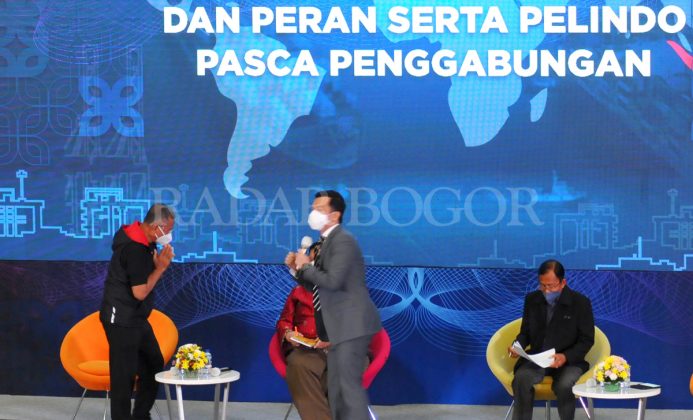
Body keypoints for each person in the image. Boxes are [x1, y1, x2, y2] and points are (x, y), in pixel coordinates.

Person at [285, 190, 381, 420]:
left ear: (335, 215)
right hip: (338, 328)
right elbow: (318, 287)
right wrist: (297, 270)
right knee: (338, 393)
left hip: (350, 326)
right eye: (313, 209)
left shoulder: (343, 241)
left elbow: (332, 281)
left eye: (319, 209)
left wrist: (306, 267)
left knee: (347, 392)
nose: (313, 214)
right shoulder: (325, 242)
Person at [99, 204, 175, 420]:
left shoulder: (144, 240)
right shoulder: (134, 249)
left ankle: (141, 415)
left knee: (153, 362)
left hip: (136, 317)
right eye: (168, 230)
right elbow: (140, 292)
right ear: (156, 227)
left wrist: (156, 264)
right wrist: (161, 268)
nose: (169, 235)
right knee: (124, 377)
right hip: (121, 319)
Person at [509, 260, 595, 420]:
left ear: (563, 283)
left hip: (568, 361)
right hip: (538, 358)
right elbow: (525, 332)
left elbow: (586, 339)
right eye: (542, 285)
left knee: (564, 385)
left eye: (551, 286)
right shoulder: (532, 299)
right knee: (521, 378)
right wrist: (517, 346)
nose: (547, 290)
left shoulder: (580, 303)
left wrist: (565, 357)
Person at [277, 242, 332, 420]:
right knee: (299, 365)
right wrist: (288, 334)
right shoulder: (298, 291)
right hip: (308, 350)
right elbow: (284, 321)